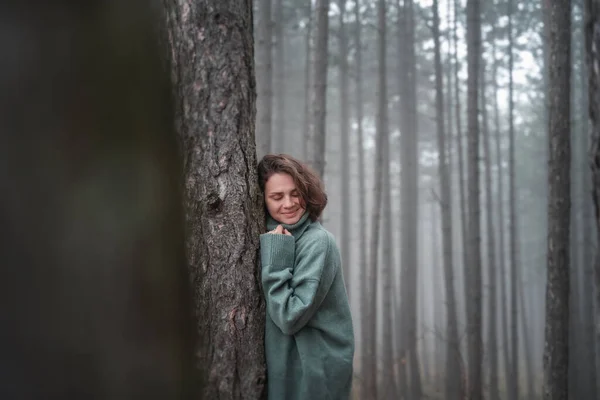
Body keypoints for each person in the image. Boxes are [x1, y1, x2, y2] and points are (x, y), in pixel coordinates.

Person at [257, 154, 355, 400]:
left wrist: (277, 259)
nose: (288, 203)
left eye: (295, 193)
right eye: (277, 197)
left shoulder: (318, 242)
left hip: (314, 369)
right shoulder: (270, 234)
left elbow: (290, 316)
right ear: (262, 200)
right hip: (286, 365)